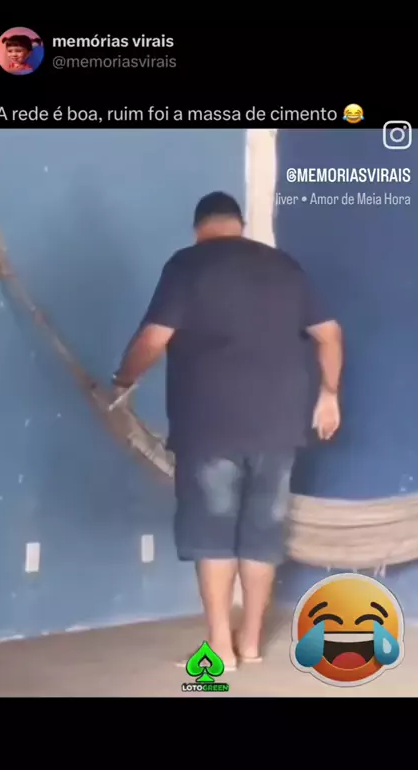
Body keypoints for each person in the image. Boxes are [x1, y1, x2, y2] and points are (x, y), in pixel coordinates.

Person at [112, 191, 342, 669]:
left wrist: (124, 380)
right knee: (263, 533)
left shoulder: (187, 265)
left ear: (199, 228)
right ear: (240, 224)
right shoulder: (285, 267)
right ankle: (251, 642)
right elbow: (329, 334)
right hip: (280, 425)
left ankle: (220, 647)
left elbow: (154, 338)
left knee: (213, 533)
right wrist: (329, 394)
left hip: (209, 425)